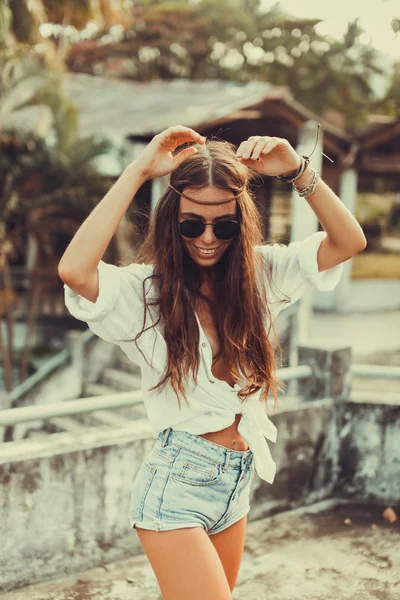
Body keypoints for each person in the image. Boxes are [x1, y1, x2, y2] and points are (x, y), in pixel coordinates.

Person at [59, 125, 366, 600]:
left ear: (240, 224)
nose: (207, 238)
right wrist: (140, 170)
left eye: (223, 226)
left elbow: (349, 242)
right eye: (190, 224)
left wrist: (298, 170)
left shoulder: (261, 276)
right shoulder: (145, 294)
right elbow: (75, 271)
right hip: (175, 486)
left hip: (235, 483)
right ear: (171, 222)